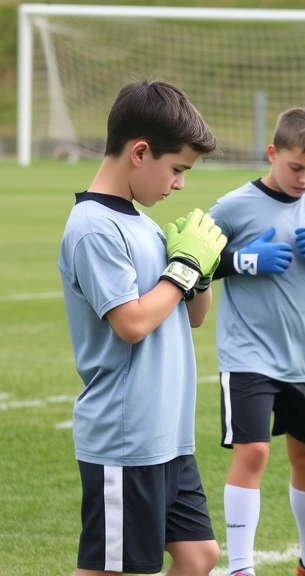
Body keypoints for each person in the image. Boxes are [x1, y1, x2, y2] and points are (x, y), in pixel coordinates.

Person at [58, 79, 224, 576]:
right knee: (112, 569)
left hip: (167, 434)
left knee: (199, 557)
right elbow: (131, 323)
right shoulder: (93, 227)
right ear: (140, 152)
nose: (179, 184)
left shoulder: (145, 224)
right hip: (126, 437)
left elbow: (191, 317)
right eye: (176, 169)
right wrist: (181, 270)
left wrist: (201, 272)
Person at [208, 107, 305, 576]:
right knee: (254, 451)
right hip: (248, 355)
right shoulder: (235, 205)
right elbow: (194, 260)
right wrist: (242, 260)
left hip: (303, 359)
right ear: (273, 153)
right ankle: (240, 568)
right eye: (297, 167)